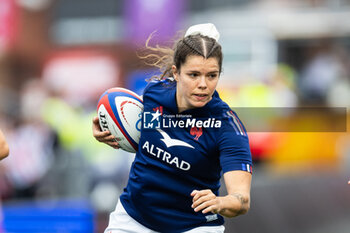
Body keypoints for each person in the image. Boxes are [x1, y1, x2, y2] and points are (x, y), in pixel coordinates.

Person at [92, 23, 252, 233]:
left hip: (194, 227)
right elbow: (128, 123)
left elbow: (242, 200)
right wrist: (107, 127)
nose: (203, 84)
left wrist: (221, 202)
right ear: (176, 73)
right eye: (194, 75)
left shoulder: (227, 127)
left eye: (212, 75)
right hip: (133, 220)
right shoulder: (153, 93)